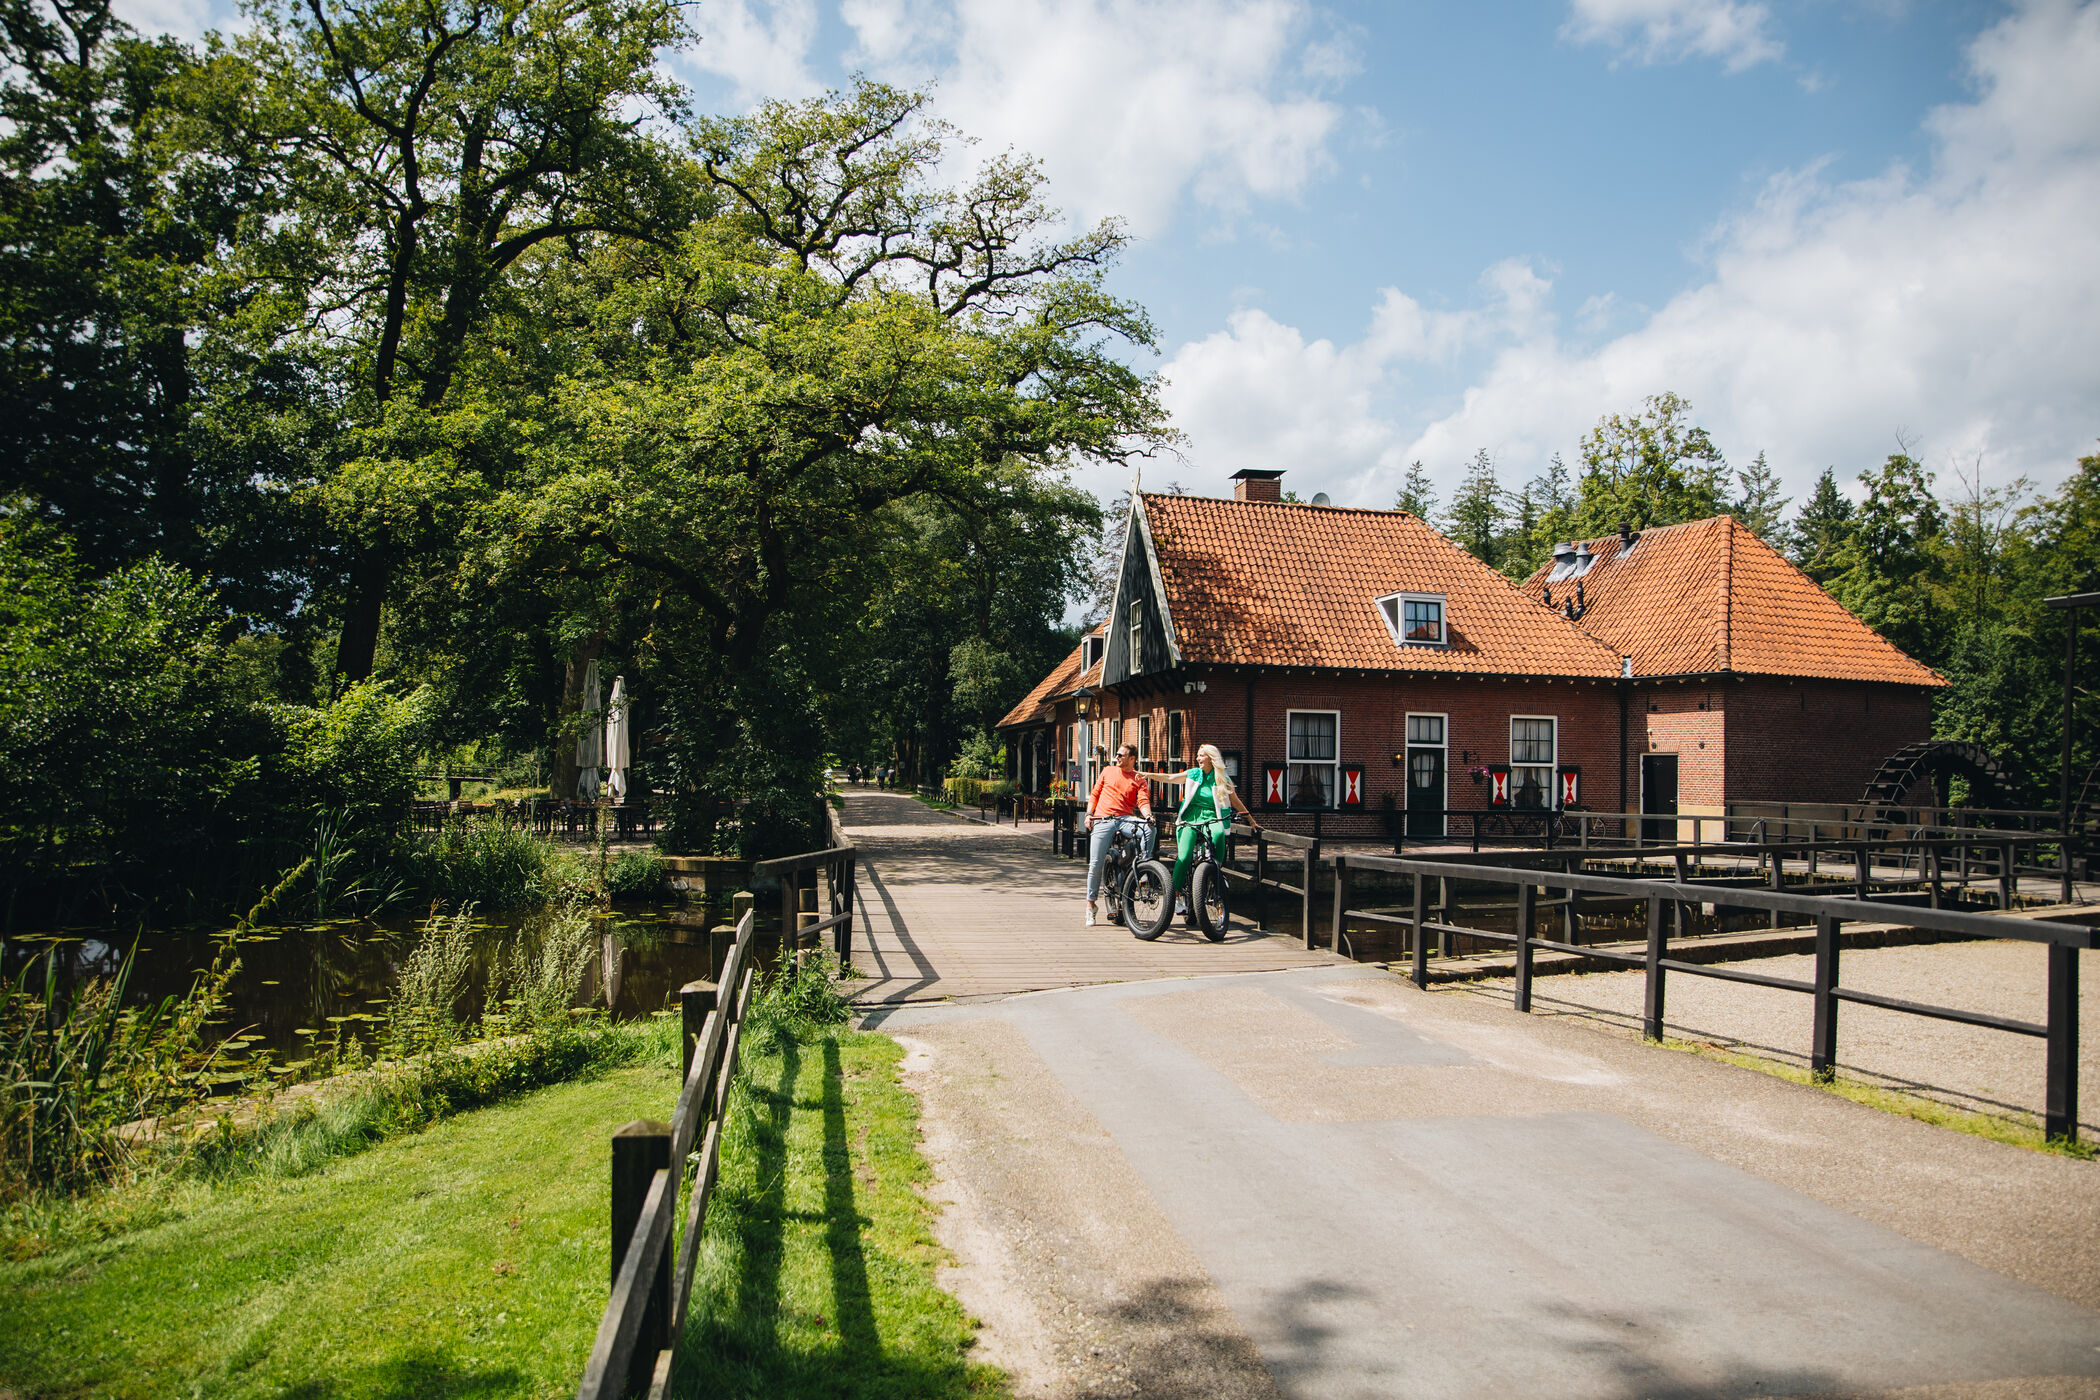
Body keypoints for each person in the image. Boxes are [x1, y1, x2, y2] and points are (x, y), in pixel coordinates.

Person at [1173, 743, 1258, 920]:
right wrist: (1148, 775)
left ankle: (1216, 871)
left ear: (1211, 759)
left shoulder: (1222, 778)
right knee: (1185, 856)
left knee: (1219, 834)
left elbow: (1235, 801)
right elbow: (1170, 777)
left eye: (1201, 755)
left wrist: (1251, 820)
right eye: (1198, 755)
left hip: (1212, 817)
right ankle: (1175, 895)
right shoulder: (1194, 774)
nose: (1198, 758)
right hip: (1191, 818)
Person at [1084, 743, 1155, 926]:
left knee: (1149, 828)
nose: (1117, 757)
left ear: (1132, 758)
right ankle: (1091, 906)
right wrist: (1089, 814)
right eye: (1117, 754)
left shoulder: (1139, 778)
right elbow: (1095, 794)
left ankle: (1144, 868)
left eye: (1120, 755)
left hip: (1125, 818)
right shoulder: (1107, 771)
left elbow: (1143, 800)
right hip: (1103, 818)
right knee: (1096, 863)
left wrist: (1148, 816)